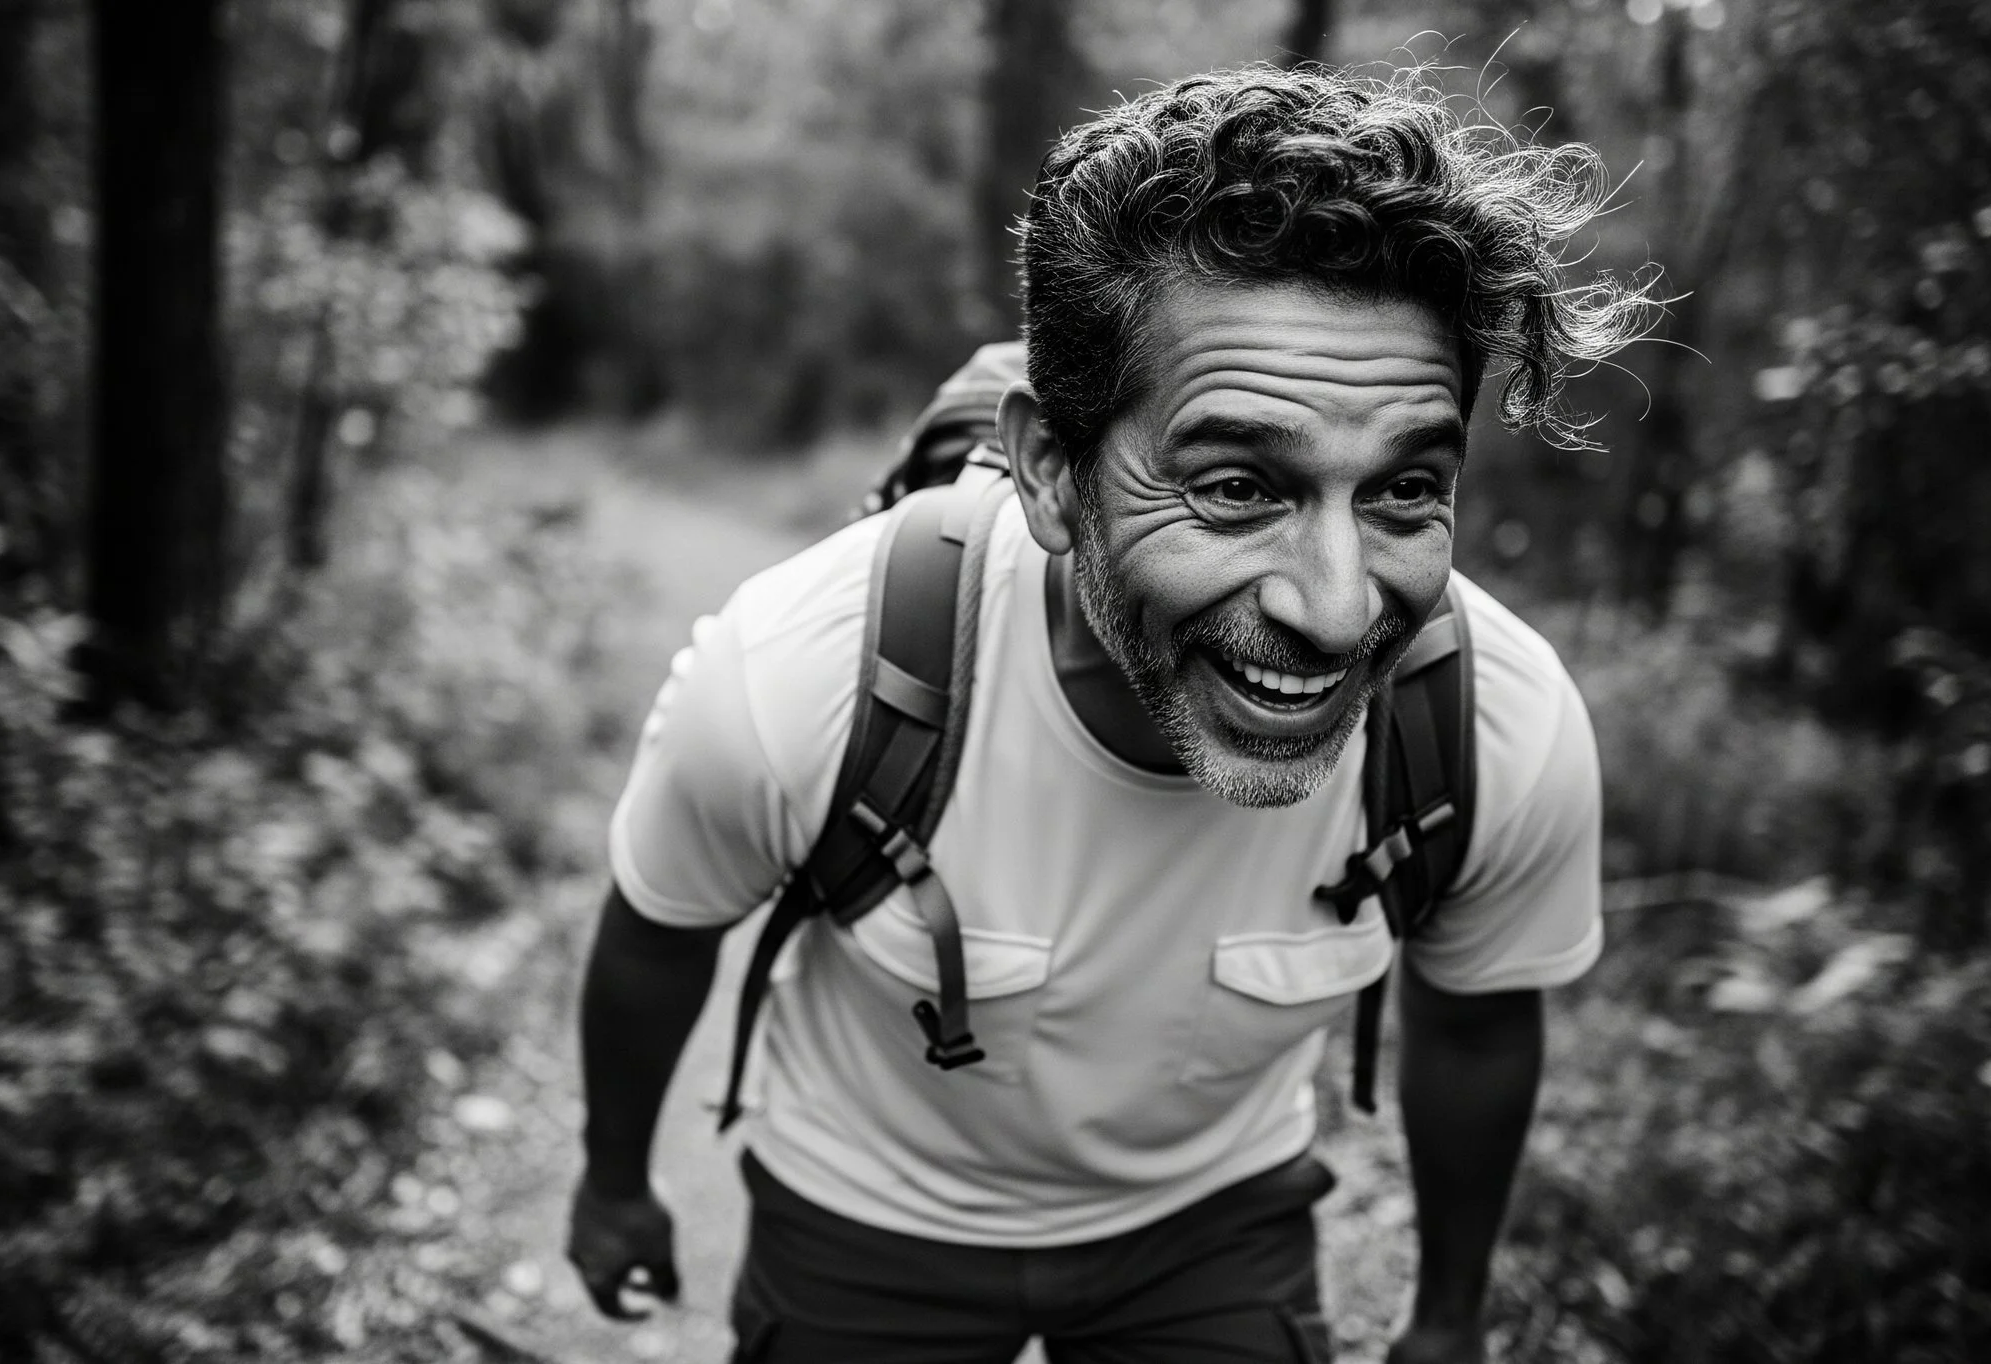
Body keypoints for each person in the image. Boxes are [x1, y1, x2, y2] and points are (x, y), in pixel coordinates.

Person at [568, 65, 1656, 1364]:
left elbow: (1477, 1022)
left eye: (1405, 490)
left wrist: (1449, 1318)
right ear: (1049, 468)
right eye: (1237, 487)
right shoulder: (796, 675)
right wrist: (614, 1181)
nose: (1335, 607)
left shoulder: (1495, 731)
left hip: (1214, 1227)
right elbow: (659, 931)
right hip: (865, 1217)